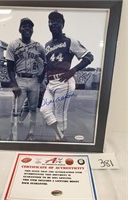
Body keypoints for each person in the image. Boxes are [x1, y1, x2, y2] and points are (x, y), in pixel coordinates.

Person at [40, 11, 94, 142]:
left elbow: (89, 57)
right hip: (51, 83)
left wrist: (73, 70)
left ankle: (58, 140)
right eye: (51, 21)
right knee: (44, 110)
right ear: (48, 24)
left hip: (64, 81)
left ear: (63, 24)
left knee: (60, 113)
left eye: (57, 21)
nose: (54, 24)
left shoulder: (70, 41)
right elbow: (47, 64)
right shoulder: (47, 45)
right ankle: (61, 137)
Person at [6, 17, 46, 141]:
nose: (27, 28)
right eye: (24, 26)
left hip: (34, 80)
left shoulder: (38, 46)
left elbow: (45, 63)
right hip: (20, 79)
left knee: (33, 109)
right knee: (16, 109)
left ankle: (31, 133)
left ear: (32, 30)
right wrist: (14, 84)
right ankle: (12, 133)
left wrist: (41, 78)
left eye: (30, 26)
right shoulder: (13, 44)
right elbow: (10, 66)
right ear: (20, 29)